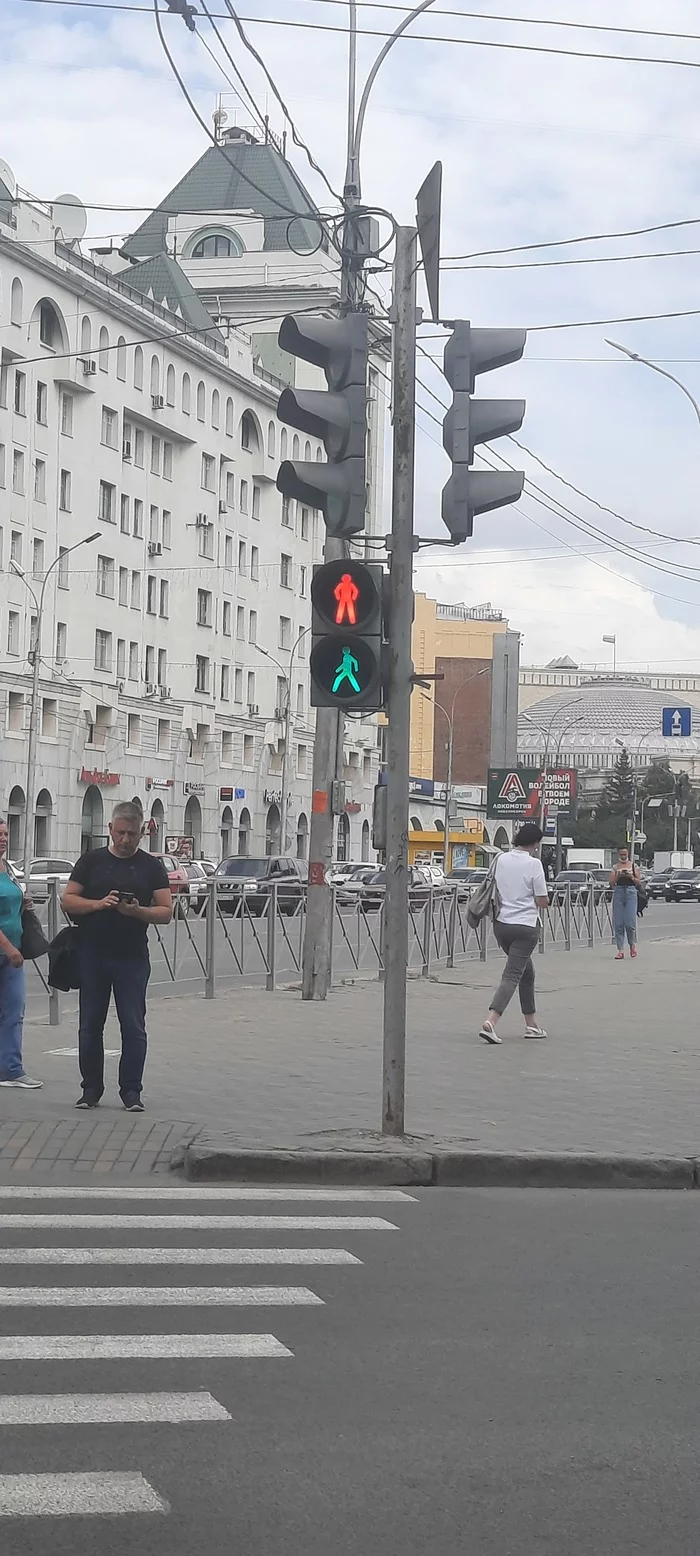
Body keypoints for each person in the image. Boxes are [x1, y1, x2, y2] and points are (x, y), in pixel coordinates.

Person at [62, 801, 172, 1111]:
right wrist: (99, 904)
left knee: (133, 1026)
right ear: (110, 829)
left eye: (132, 834)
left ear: (142, 834)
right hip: (93, 954)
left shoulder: (151, 866)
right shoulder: (91, 861)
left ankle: (131, 1093)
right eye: (120, 833)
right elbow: (67, 900)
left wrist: (136, 911)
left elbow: (165, 912)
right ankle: (91, 1090)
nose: (125, 840)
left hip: (132, 957)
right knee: (89, 1025)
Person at [479, 822, 550, 1045]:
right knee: (512, 975)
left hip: (501, 925)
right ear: (535, 843)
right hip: (525, 927)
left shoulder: (500, 859)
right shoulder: (534, 864)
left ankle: (532, 1025)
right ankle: (491, 1022)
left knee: (525, 972)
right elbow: (542, 900)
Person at [0, 820, 42, 1089]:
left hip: (12, 953)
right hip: (8, 950)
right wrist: (8, 948)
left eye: (5, 833)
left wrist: (23, 902)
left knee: (14, 1011)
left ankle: (11, 1070)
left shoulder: (7, 869)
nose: (3, 838)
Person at [609, 846, 640, 960]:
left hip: (631, 892)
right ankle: (620, 950)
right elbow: (612, 883)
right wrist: (618, 875)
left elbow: (638, 882)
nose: (623, 856)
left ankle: (632, 944)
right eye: (621, 854)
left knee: (629, 922)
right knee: (618, 923)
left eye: (625, 854)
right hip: (619, 892)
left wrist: (630, 876)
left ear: (628, 854)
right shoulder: (615, 867)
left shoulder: (633, 866)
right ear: (618, 855)